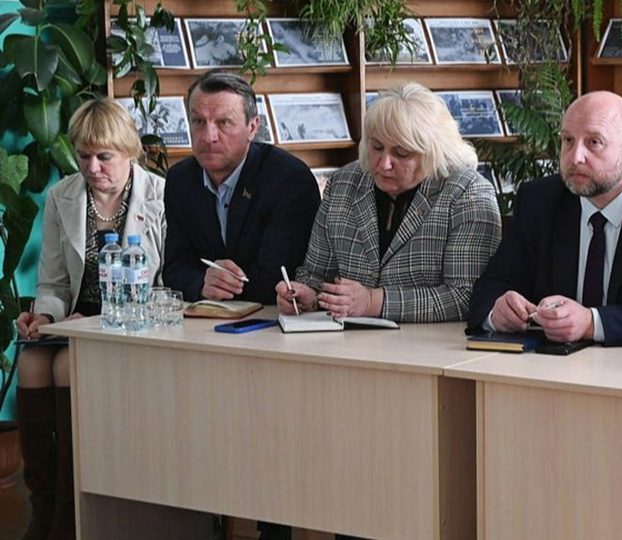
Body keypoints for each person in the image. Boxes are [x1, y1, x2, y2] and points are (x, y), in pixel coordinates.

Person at [15, 98, 167, 540]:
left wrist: (97, 321)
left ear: (129, 152)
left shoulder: (160, 194)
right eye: (84, 156)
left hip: (134, 319)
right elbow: (54, 283)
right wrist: (43, 315)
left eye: (104, 157)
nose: (93, 168)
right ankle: (43, 505)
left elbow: (166, 283)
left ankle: (69, 508)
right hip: (74, 319)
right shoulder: (61, 196)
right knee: (30, 361)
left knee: (65, 365)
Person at [467, 91, 622, 345]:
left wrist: (592, 323)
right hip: (551, 365)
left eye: (594, 142)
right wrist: (498, 311)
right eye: (568, 140)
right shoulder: (539, 201)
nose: (575, 157)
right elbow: (490, 286)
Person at [275, 82, 501, 322]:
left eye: (401, 153)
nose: (384, 164)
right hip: (345, 338)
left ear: (433, 151)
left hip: (430, 341)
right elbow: (315, 275)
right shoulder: (344, 184)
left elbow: (465, 297)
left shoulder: (468, 194)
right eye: (377, 147)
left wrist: (373, 302)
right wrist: (308, 296)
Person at [163, 70, 320, 305]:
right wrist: (201, 283)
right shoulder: (180, 179)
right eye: (198, 122)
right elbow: (174, 269)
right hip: (206, 318)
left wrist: (221, 285)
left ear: (252, 127)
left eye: (224, 122)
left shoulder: (289, 179)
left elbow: (278, 277)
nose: (208, 137)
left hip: (274, 317)